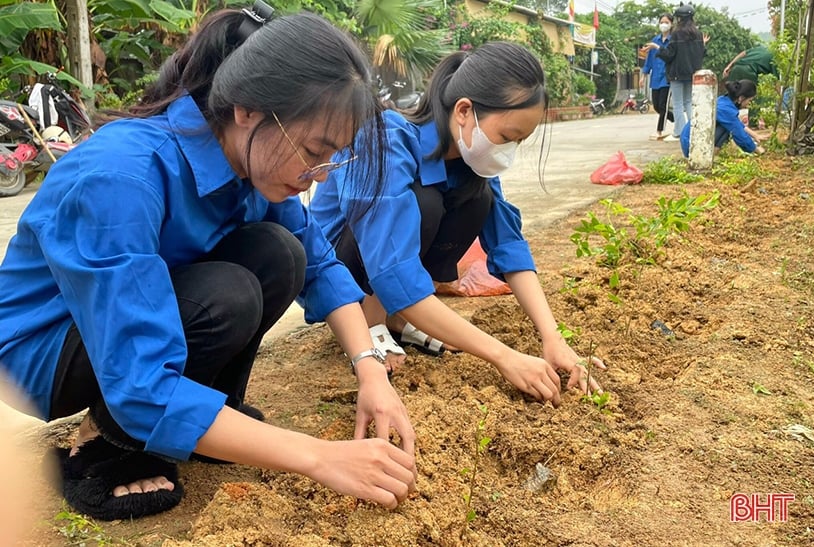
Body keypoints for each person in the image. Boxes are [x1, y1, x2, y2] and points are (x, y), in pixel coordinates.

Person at [0, 6, 417, 521]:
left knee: (280, 252)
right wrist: (318, 457)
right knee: (228, 291)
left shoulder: (252, 163)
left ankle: (204, 424)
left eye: (333, 158)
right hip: (44, 350)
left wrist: (371, 372)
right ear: (247, 108)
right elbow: (141, 379)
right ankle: (106, 447)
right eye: (313, 150)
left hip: (132, 321)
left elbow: (318, 265)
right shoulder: (122, 177)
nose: (321, 176)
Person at [310, 42, 605, 408]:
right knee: (424, 204)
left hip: (391, 273)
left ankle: (400, 318)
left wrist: (552, 337)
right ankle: (371, 324)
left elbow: (509, 246)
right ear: (464, 110)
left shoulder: (471, 160)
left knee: (477, 199)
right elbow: (390, 266)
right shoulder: (385, 138)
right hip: (339, 271)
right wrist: (504, 356)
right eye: (507, 137)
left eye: (519, 143)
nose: (508, 152)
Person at [645, 3, 708, 142]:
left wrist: (657, 47)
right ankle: (693, 130)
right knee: (688, 102)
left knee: (678, 104)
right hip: (692, 74)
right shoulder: (697, 34)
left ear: (680, 19)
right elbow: (702, 53)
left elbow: (669, 55)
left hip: (677, 74)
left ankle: (680, 132)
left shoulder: (677, 34)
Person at [680, 79, 766, 158]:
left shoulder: (723, 101)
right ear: (741, 98)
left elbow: (738, 124)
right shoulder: (726, 110)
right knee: (729, 129)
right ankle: (709, 156)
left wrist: (755, 135)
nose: (749, 104)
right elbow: (739, 135)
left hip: (688, 140)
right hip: (691, 146)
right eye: (749, 100)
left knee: (730, 126)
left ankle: (712, 155)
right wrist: (755, 149)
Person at [640, 13, 675, 140]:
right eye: (661, 22)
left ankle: (659, 130)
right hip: (655, 78)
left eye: (666, 22)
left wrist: (658, 47)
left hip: (667, 78)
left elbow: (670, 55)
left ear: (671, 24)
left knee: (663, 105)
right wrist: (643, 76)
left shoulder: (673, 41)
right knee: (656, 106)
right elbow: (649, 60)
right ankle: (676, 119)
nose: (663, 24)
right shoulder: (655, 40)